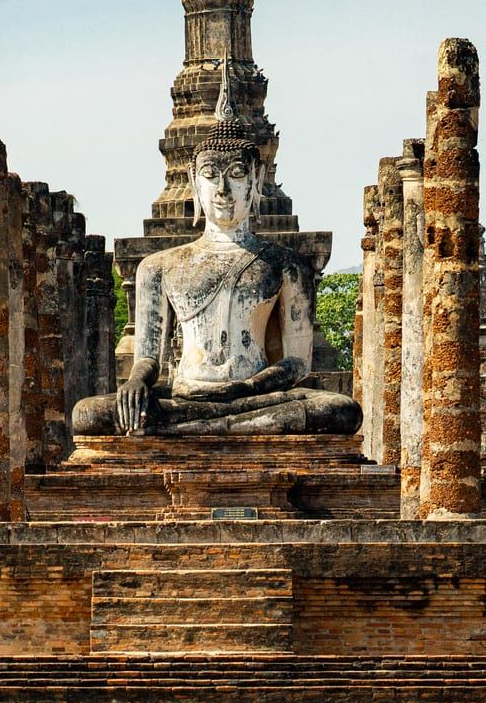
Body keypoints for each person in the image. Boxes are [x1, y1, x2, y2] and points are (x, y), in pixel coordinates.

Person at [71, 62, 358, 437]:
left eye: (236, 175)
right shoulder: (159, 267)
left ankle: (205, 429)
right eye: (210, 176)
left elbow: (296, 363)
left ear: (256, 179)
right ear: (194, 181)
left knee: (339, 410)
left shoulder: (286, 266)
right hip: (187, 395)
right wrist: (137, 383)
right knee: (88, 414)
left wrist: (246, 387)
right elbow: (148, 357)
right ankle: (219, 427)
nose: (222, 190)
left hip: (256, 395)